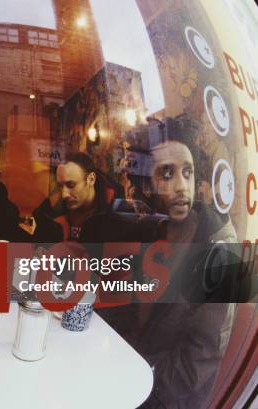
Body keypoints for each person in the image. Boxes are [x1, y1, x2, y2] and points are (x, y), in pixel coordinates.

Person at [101, 116, 237, 409]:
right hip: (129, 372)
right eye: (167, 174)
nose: (179, 186)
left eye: (187, 172)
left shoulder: (222, 251)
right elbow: (132, 308)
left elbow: (201, 357)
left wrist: (140, 377)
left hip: (163, 397)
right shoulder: (155, 233)